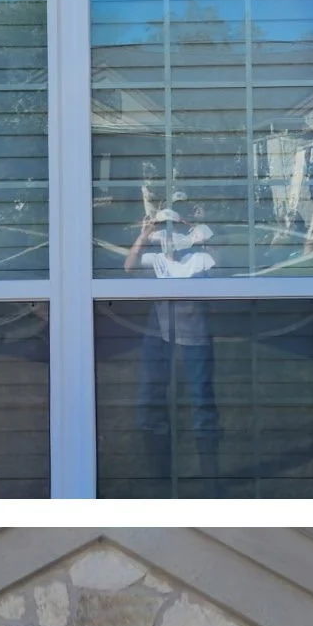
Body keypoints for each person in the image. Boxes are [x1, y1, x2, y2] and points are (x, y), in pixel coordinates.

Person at [123, 187, 220, 486]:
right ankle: (159, 476)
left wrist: (194, 232)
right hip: (162, 339)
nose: (168, 234)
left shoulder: (198, 258)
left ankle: (209, 475)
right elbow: (128, 267)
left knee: (201, 402)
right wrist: (143, 235)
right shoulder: (158, 259)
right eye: (164, 228)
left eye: (173, 227)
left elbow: (222, 263)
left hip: (196, 340)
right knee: (153, 399)